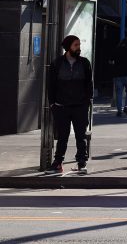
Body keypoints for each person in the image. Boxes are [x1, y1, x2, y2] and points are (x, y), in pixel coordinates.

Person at [46, 35, 93, 174]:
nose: (79, 48)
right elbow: (51, 85)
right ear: (68, 47)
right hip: (61, 106)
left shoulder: (85, 63)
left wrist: (87, 101)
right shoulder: (57, 64)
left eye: (79, 45)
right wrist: (52, 104)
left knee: (81, 135)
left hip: (80, 106)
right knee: (63, 136)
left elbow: (88, 84)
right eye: (75, 45)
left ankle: (81, 163)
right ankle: (58, 163)